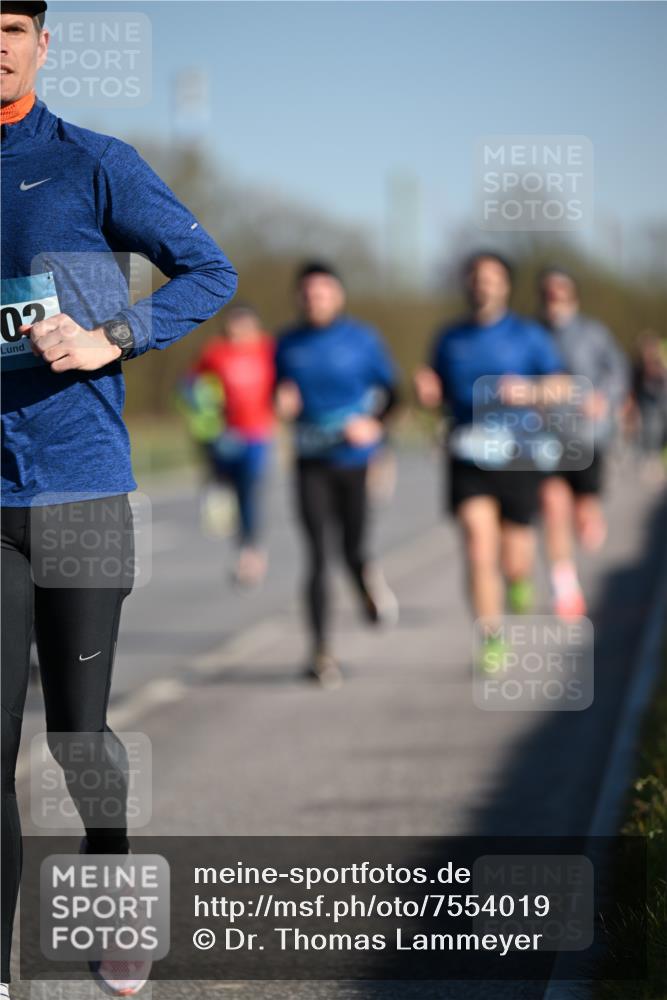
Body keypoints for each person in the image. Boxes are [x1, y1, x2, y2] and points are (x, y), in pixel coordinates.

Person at [0, 3, 237, 996]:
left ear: (42, 45)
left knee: (76, 737)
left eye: (11, 28)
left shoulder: (92, 163)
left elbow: (209, 271)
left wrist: (116, 337)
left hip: (83, 490)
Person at [414, 251, 568, 672]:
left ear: (505, 286)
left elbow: (561, 385)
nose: (482, 285)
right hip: (467, 453)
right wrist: (427, 390)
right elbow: (435, 387)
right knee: (477, 545)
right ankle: (490, 637)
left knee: (513, 557)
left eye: (491, 278)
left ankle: (519, 580)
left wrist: (530, 392)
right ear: (467, 285)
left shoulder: (528, 335)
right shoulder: (449, 337)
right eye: (475, 278)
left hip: (519, 454)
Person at [275, 262, 400, 689]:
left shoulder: (363, 340)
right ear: (298, 298)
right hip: (311, 461)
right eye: (307, 293)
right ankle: (321, 653)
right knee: (316, 555)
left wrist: (374, 424)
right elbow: (272, 392)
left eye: (323, 292)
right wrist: (280, 399)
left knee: (352, 548)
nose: (315, 299)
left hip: (355, 460)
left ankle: (365, 575)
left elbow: (394, 395)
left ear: (338, 296)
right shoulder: (286, 344)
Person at [537, 267, 629, 619]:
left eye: (560, 291)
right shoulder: (533, 334)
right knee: (552, 505)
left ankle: (589, 514)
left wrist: (603, 397)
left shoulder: (593, 333)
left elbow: (617, 371)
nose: (553, 299)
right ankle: (565, 588)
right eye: (547, 292)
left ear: (572, 295)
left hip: (587, 436)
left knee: (583, 509)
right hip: (545, 438)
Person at [188, 305, 275, 586]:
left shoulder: (268, 349)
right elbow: (190, 385)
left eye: (244, 326)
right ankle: (234, 532)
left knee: (249, 490)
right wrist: (203, 412)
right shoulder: (214, 352)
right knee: (222, 487)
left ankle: (250, 551)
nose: (238, 332)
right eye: (233, 326)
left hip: (256, 433)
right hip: (222, 434)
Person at [631, 330, 667, 483]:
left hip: (662, 404)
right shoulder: (638, 369)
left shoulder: (661, 365)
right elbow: (635, 387)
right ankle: (652, 462)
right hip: (648, 407)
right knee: (651, 432)